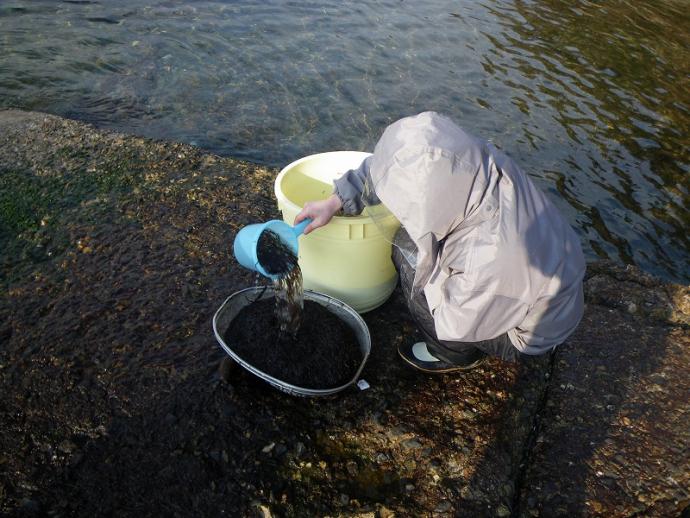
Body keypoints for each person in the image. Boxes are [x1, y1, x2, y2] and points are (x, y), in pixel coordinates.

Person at [295, 112, 585, 373]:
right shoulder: (465, 163)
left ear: (431, 201)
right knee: (410, 244)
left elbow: (458, 322)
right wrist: (335, 201)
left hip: (526, 331)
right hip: (543, 276)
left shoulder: (491, 256)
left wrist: (428, 270)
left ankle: (453, 357)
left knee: (408, 259)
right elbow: (390, 164)